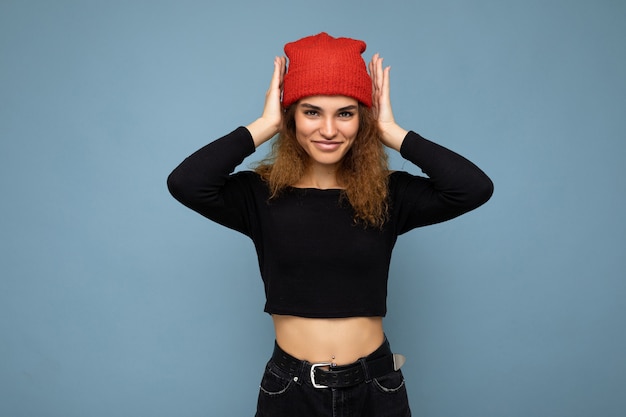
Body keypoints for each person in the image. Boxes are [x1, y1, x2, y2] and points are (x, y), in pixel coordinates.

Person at [167, 32, 493, 417]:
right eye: (311, 112)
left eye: (345, 113)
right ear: (291, 117)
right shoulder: (259, 194)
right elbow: (186, 182)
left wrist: (392, 133)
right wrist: (265, 123)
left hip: (377, 389)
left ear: (362, 118)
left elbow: (473, 188)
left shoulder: (389, 194)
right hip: (290, 392)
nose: (328, 130)